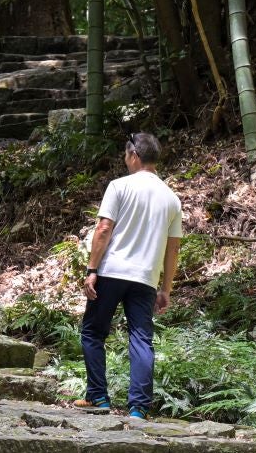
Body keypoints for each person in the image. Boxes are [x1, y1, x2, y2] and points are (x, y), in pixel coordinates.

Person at [76, 131, 182, 421]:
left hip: (111, 271)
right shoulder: (171, 199)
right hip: (146, 278)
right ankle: (138, 408)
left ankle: (98, 396)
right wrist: (166, 288)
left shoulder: (119, 186)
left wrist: (92, 269)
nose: (125, 160)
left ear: (134, 155)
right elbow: (173, 249)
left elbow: (103, 229)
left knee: (93, 332)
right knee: (140, 339)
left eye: (126, 155)